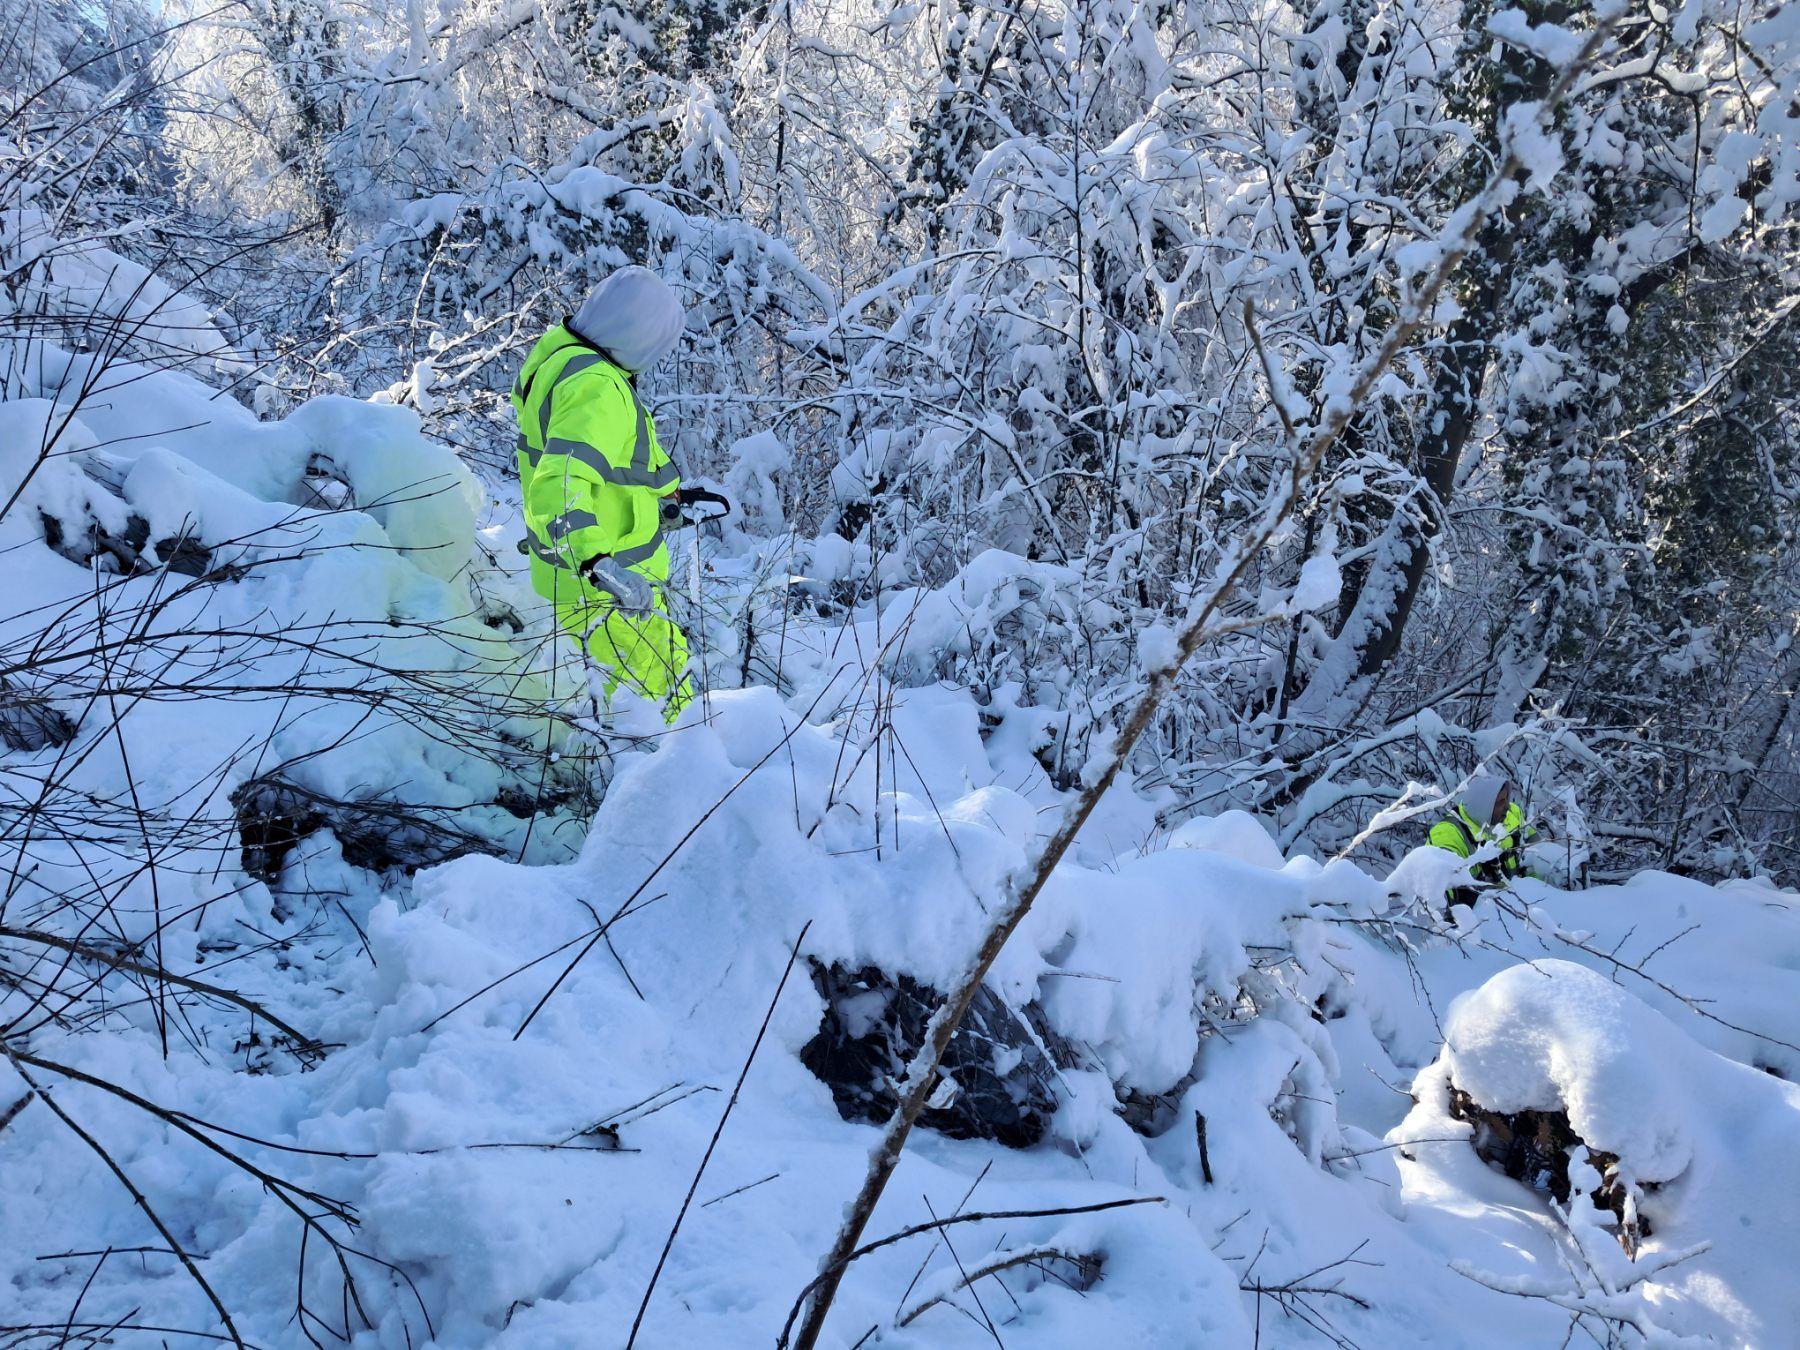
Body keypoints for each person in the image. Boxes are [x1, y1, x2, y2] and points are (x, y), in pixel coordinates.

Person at [511, 267, 693, 720]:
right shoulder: (598, 386)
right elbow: (560, 485)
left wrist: (665, 494)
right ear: (639, 336)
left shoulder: (564, 360)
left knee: (622, 700)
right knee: (659, 710)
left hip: (593, 582)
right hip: (612, 591)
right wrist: (599, 565)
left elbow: (605, 456)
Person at [1430, 775, 1534, 908]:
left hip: (1524, 905)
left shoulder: (1511, 815)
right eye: (1500, 802)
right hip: (1487, 917)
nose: (1507, 807)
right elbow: (1438, 901)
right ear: (1483, 806)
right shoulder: (1447, 836)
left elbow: (1536, 850)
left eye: (1506, 799)